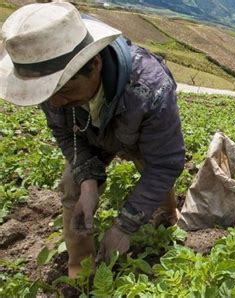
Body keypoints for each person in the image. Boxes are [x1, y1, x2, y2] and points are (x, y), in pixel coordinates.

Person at [0, 2, 185, 277]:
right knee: (71, 185)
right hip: (88, 134)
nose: (54, 102)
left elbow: (165, 163)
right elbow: (65, 133)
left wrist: (124, 226)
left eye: (62, 89)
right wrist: (88, 182)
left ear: (95, 64)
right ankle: (80, 270)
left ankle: (168, 215)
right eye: (47, 93)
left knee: (151, 167)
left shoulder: (150, 89)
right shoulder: (51, 85)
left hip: (136, 132)